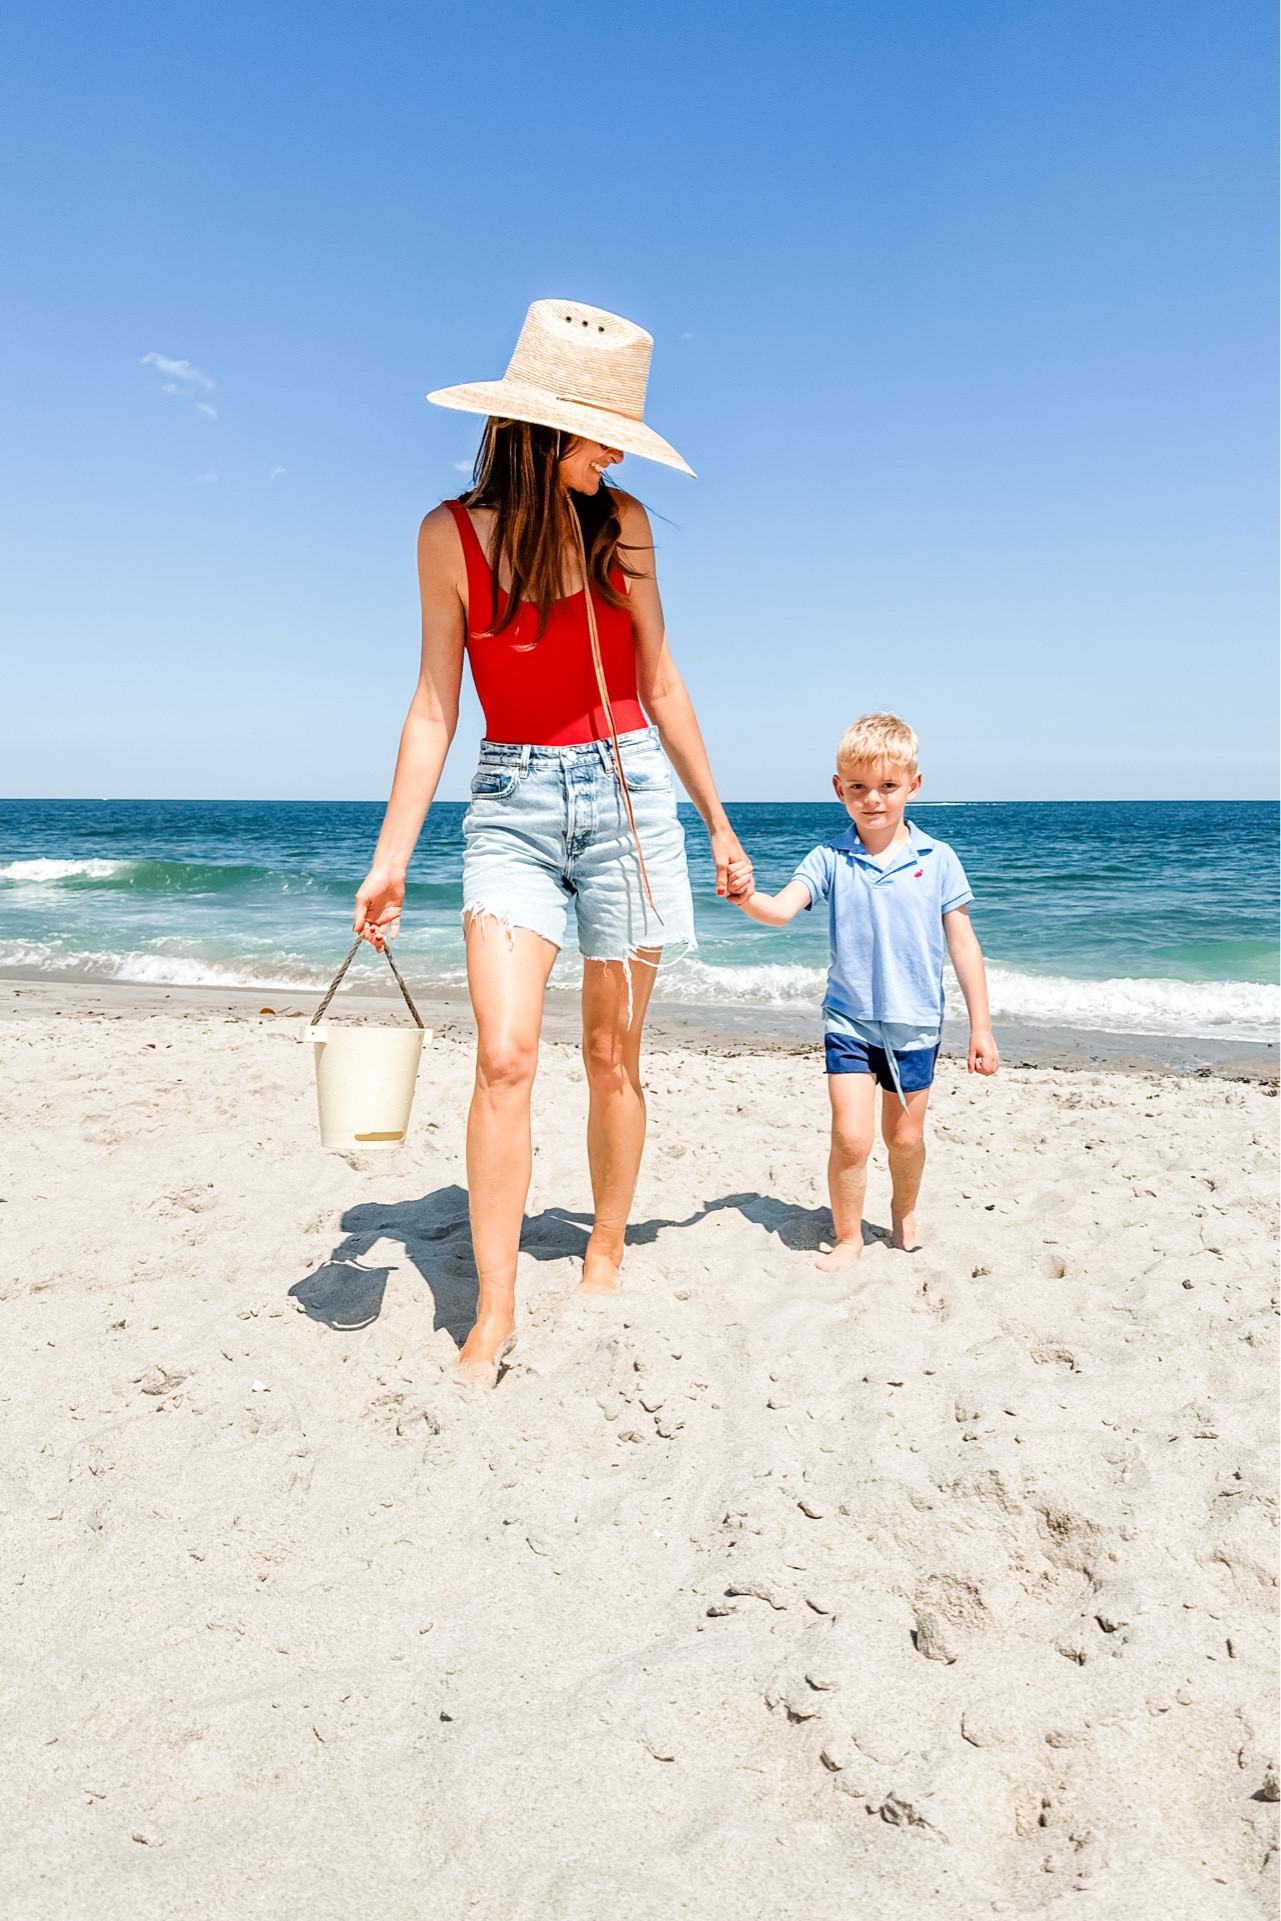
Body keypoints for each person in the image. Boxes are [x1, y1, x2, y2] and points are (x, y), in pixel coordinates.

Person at [353, 299, 752, 1384]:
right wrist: (391, 856)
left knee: (613, 1053)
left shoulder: (624, 523)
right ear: (540, 429)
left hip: (630, 797)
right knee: (505, 1055)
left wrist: (719, 824)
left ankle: (607, 1243)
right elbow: (435, 704)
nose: (615, 454)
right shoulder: (447, 535)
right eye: (601, 434)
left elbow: (659, 679)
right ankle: (494, 1308)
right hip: (511, 805)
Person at [733, 712, 998, 1268]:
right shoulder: (829, 857)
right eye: (857, 787)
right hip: (848, 1020)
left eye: (887, 786)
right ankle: (848, 1237)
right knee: (852, 1139)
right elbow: (780, 910)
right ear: (839, 789)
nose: (872, 798)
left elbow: (964, 945)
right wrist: (746, 897)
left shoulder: (939, 859)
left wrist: (981, 1028)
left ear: (913, 786)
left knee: (904, 1140)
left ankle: (904, 1210)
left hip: (915, 1023)